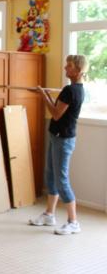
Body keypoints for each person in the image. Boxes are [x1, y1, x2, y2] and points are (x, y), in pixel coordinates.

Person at [29, 54, 88, 235]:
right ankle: (49, 215)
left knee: (61, 180)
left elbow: (55, 114)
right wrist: (43, 93)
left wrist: (43, 95)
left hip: (63, 139)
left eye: (68, 66)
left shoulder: (70, 91)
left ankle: (73, 222)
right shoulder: (74, 89)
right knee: (51, 176)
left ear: (78, 70)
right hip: (57, 136)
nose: (65, 68)